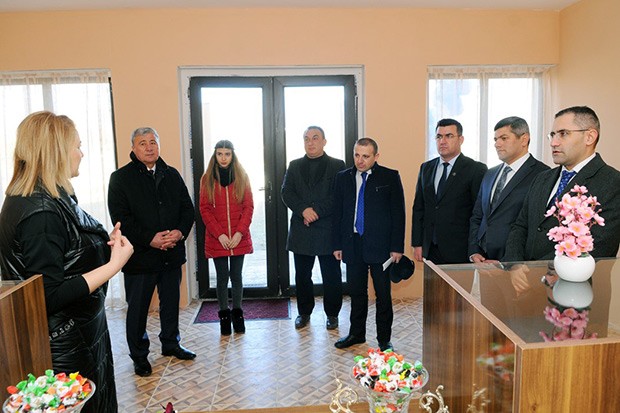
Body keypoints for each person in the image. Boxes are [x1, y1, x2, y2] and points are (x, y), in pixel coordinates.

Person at [0, 111, 134, 413]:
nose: (81, 153)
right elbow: (48, 294)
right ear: (57, 150)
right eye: (77, 145)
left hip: (79, 335)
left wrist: (103, 245)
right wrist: (114, 265)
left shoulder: (50, 197)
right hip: (66, 346)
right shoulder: (40, 212)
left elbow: (68, 255)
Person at [108, 127, 196, 377]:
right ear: (133, 148)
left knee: (170, 304)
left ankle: (171, 344)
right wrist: (150, 239)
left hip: (171, 254)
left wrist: (179, 232)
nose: (149, 147)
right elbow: (121, 219)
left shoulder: (171, 174)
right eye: (143, 143)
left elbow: (187, 209)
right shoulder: (120, 178)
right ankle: (139, 356)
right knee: (138, 310)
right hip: (140, 258)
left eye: (153, 142)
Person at [503, 106, 620, 261]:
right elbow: (520, 226)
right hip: (523, 273)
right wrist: (515, 265)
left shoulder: (612, 182)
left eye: (563, 134)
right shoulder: (541, 178)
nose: (554, 143)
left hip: (572, 276)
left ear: (589, 137)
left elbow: (599, 244)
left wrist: (538, 271)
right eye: (552, 135)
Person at [332, 138, 405, 351]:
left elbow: (398, 214)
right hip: (352, 243)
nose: (360, 160)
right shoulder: (342, 178)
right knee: (357, 292)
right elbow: (337, 214)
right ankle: (356, 334)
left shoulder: (390, 177)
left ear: (376, 156)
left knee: (383, 295)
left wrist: (397, 247)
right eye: (357, 155)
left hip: (381, 246)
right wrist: (337, 244)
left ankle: (384, 339)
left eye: (365, 156)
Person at [281, 126, 345, 330]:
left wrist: (315, 211)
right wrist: (303, 210)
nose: (310, 142)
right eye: (306, 138)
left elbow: (339, 196)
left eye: (315, 138)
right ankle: (304, 313)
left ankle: (332, 314)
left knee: (331, 276)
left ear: (324, 141)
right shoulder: (294, 165)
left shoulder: (337, 165)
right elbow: (286, 193)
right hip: (302, 230)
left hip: (328, 230)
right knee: (302, 276)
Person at [468, 117, 549, 262]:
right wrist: (474, 251)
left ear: (524, 139)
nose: (497, 144)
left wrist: (508, 263)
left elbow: (536, 227)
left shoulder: (543, 175)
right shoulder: (490, 173)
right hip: (482, 261)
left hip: (517, 263)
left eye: (504, 138)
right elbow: (478, 216)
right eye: (495, 139)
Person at [411, 118, 487, 264]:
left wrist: (475, 248)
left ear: (461, 139)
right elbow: (419, 208)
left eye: (449, 136)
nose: (443, 141)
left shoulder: (475, 169)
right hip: (430, 248)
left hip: (460, 249)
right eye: (439, 137)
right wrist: (417, 243)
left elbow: (478, 213)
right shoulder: (426, 168)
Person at [199, 140, 254, 336]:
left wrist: (239, 233)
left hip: (239, 238)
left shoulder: (242, 176)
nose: (223, 158)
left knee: (236, 277)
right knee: (222, 278)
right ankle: (224, 317)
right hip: (218, 239)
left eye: (227, 154)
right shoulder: (207, 179)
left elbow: (248, 207)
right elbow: (204, 209)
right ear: (215, 156)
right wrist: (220, 234)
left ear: (233, 155)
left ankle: (238, 315)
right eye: (220, 154)